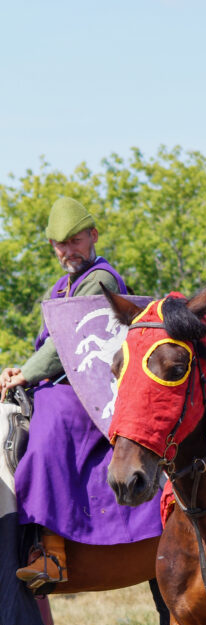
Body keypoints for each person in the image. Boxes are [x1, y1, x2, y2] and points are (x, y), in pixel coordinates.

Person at [0, 197, 161, 592]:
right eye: (59, 244)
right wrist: (22, 369)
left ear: (93, 236)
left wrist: (28, 374)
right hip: (60, 380)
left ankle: (50, 550)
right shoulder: (64, 285)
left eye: (74, 240)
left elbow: (66, 345)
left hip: (91, 390)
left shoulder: (101, 279)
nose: (67, 250)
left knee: (47, 429)